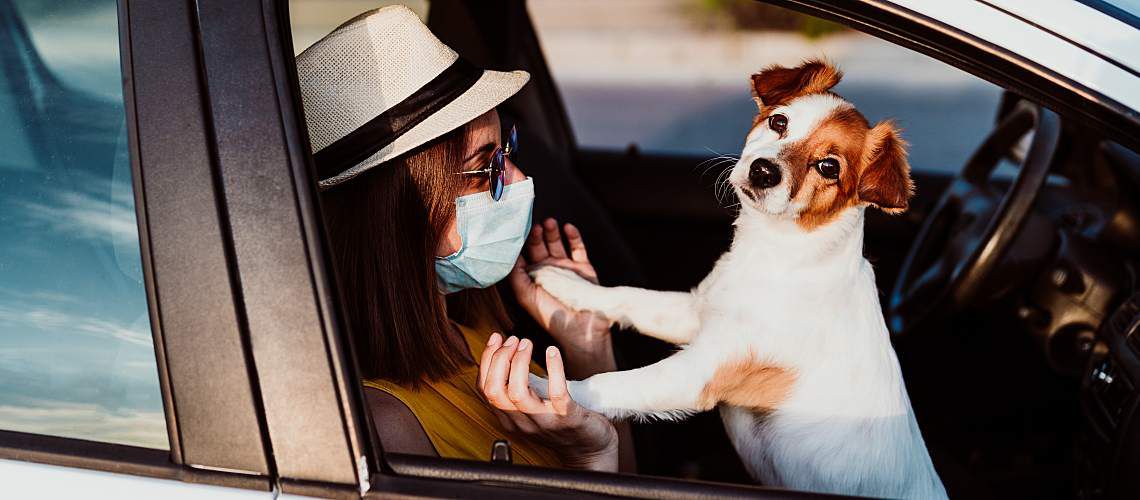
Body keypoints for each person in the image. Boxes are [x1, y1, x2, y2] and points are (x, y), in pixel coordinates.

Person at [296, 6, 633, 472]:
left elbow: (634, 475)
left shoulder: (467, 332)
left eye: (507, 151)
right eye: (486, 166)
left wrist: (587, 346)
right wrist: (591, 456)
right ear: (402, 212)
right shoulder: (389, 427)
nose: (515, 177)